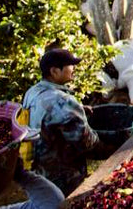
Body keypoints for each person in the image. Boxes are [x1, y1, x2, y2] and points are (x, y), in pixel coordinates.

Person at [21, 49, 99, 196]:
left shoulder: (31, 92)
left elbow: (46, 115)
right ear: (55, 71)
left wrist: (79, 109)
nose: (74, 69)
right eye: (70, 65)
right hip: (64, 177)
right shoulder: (63, 101)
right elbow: (87, 142)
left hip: (40, 171)